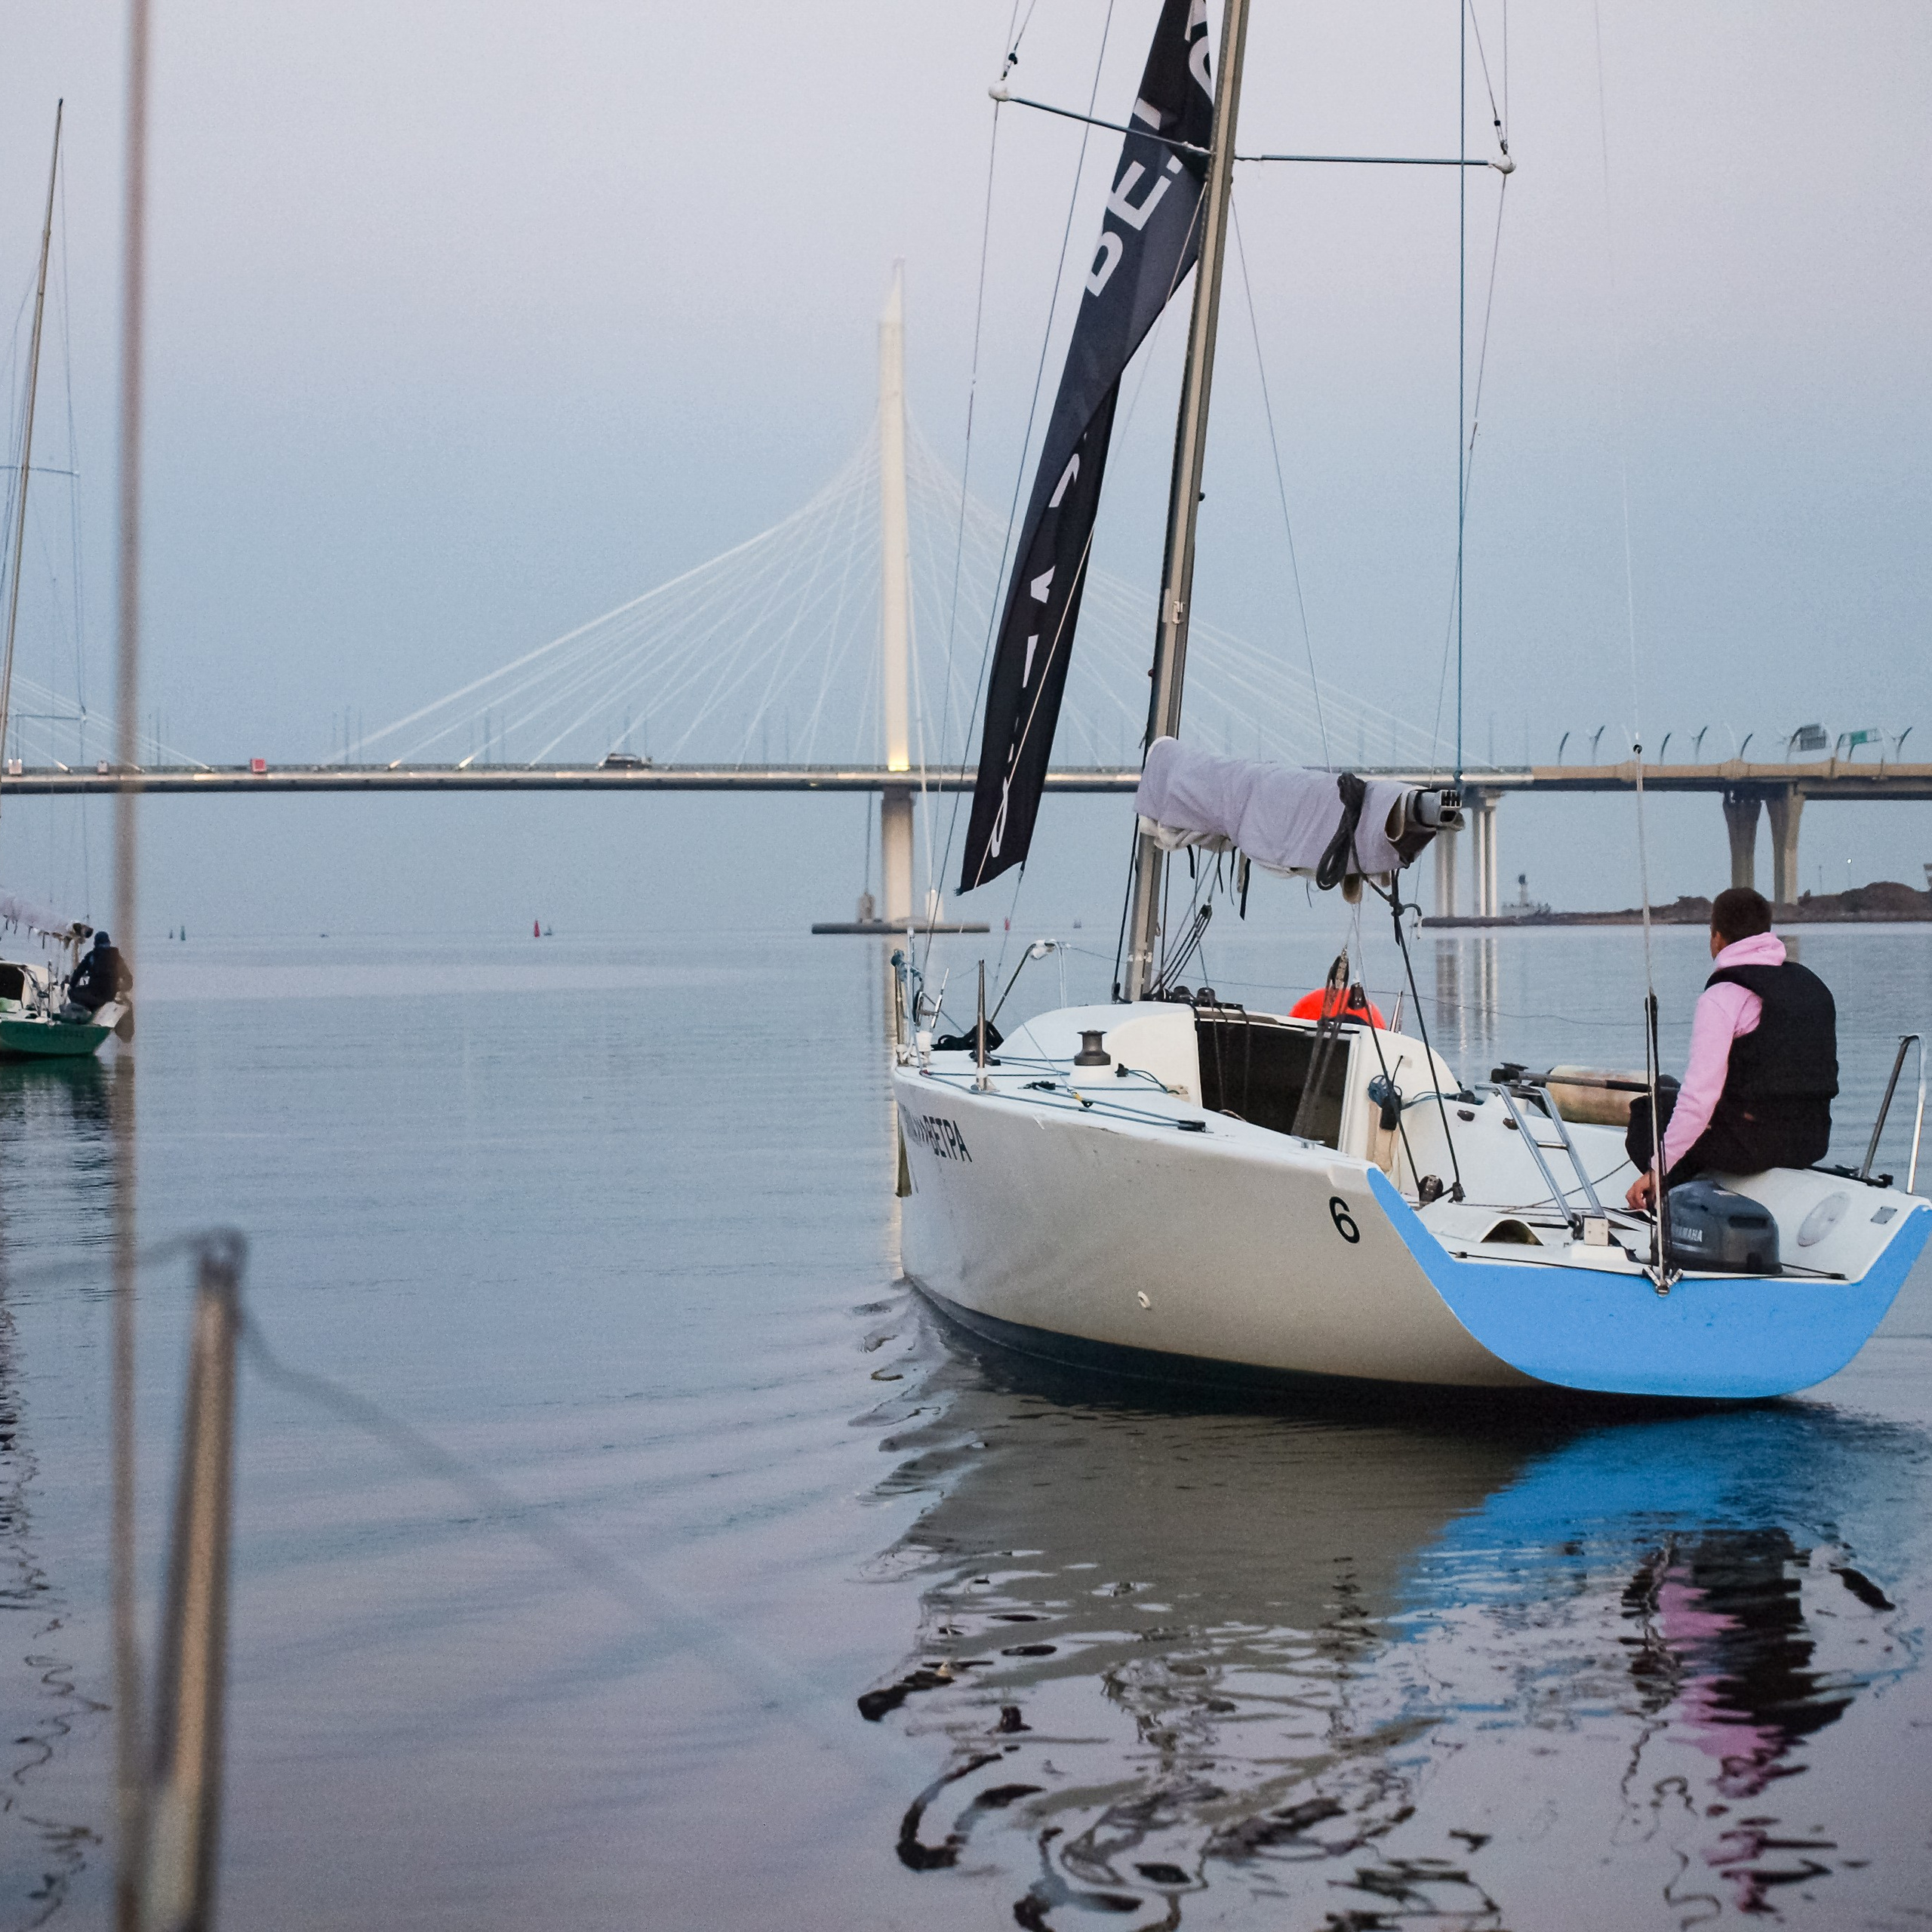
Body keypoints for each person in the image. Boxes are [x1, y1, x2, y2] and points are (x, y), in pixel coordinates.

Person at [1625, 887, 1837, 1211]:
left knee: (1648, 1112)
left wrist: (1658, 1168)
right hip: (1812, 1140)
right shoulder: (1810, 986)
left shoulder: (1723, 996)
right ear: (1766, 932)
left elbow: (1699, 1099)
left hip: (1752, 1146)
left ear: (1717, 937)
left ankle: (1676, 1203)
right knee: (1670, 1090)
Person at [68, 930, 132, 1014]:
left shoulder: (92, 956)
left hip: (94, 994)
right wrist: (121, 990)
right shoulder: (117, 958)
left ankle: (89, 1011)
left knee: (72, 992)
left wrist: (72, 985)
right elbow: (128, 978)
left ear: (95, 943)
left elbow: (78, 973)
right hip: (111, 995)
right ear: (109, 942)